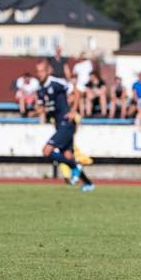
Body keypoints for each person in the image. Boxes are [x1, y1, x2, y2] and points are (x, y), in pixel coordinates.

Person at [34, 60, 94, 192]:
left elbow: (77, 91)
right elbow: (41, 107)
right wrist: (38, 110)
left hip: (66, 124)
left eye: (42, 71)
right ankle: (88, 183)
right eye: (37, 71)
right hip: (59, 125)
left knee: (46, 151)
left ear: (48, 70)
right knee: (67, 156)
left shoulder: (56, 83)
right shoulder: (40, 89)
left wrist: (73, 110)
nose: (39, 74)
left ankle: (75, 167)